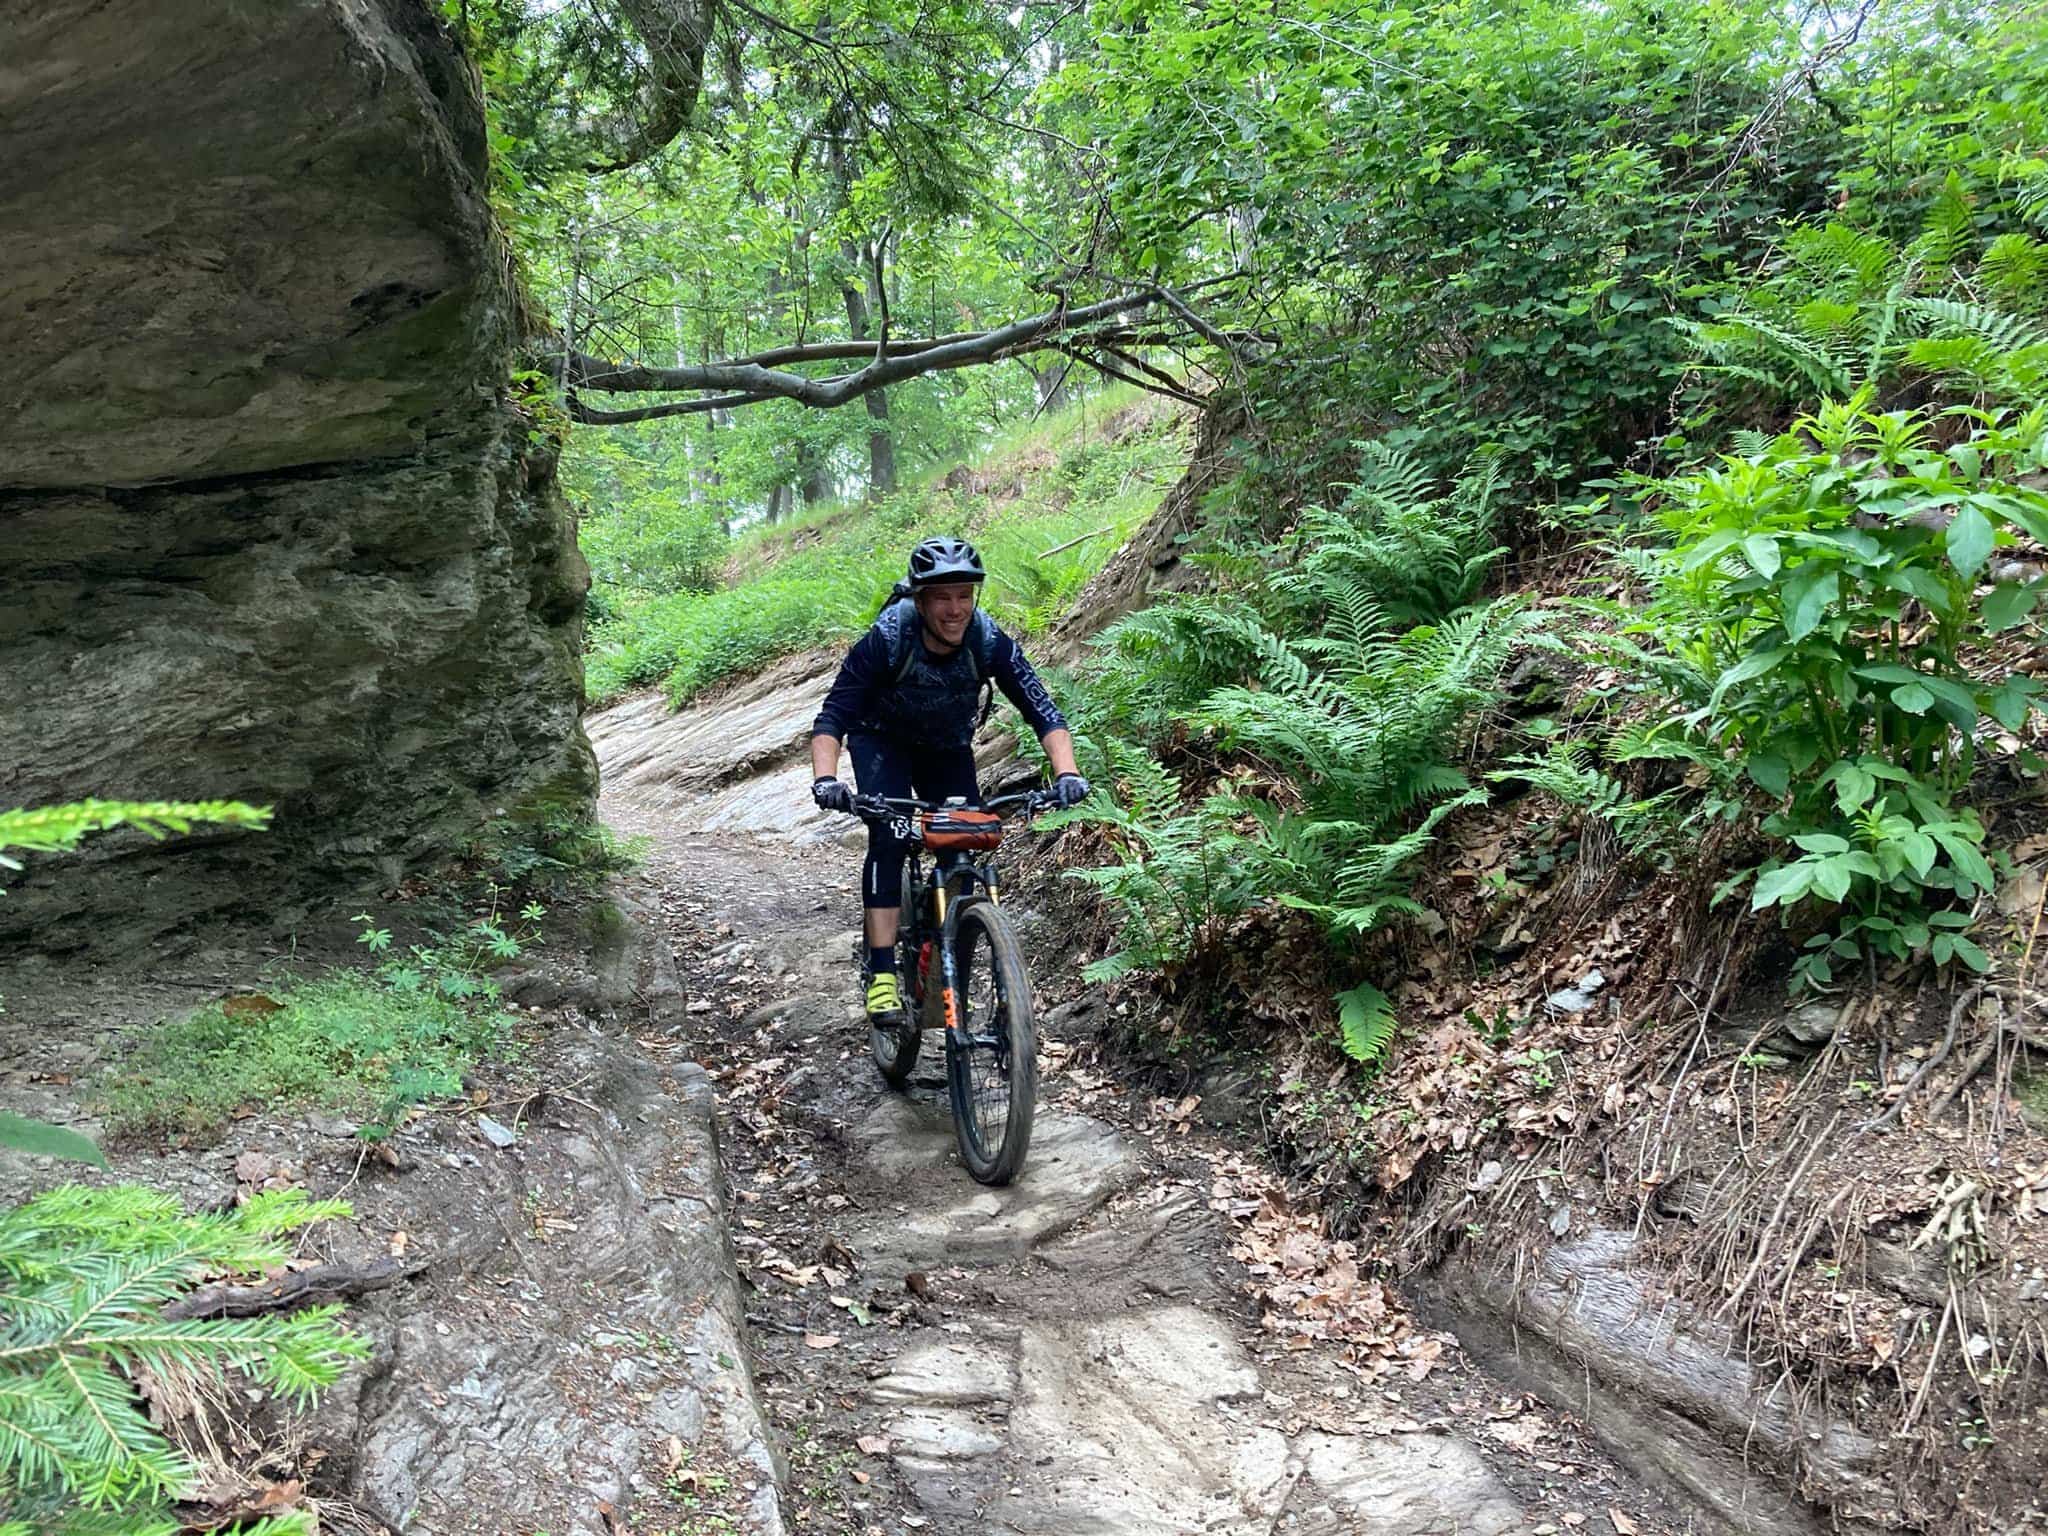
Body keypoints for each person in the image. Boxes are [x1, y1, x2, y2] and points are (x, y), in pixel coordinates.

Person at [809, 536, 1089, 1024]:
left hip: (945, 745)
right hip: (882, 740)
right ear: (920, 600)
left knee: (964, 837)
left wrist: (1067, 772)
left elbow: (1043, 711)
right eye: (942, 597)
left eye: (964, 595)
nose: (955, 609)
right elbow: (832, 719)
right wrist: (827, 779)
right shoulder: (888, 639)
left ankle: (955, 960)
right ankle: (881, 976)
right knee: (891, 837)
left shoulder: (987, 640)